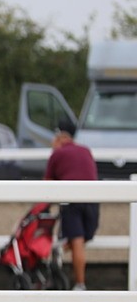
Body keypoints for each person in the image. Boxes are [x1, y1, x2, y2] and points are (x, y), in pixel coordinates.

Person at [45, 120, 99, 290]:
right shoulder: (86, 151)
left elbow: (45, 184)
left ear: (59, 136)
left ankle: (80, 284)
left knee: (77, 240)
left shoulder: (57, 154)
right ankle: (62, 250)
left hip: (72, 200)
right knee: (82, 239)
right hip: (93, 199)